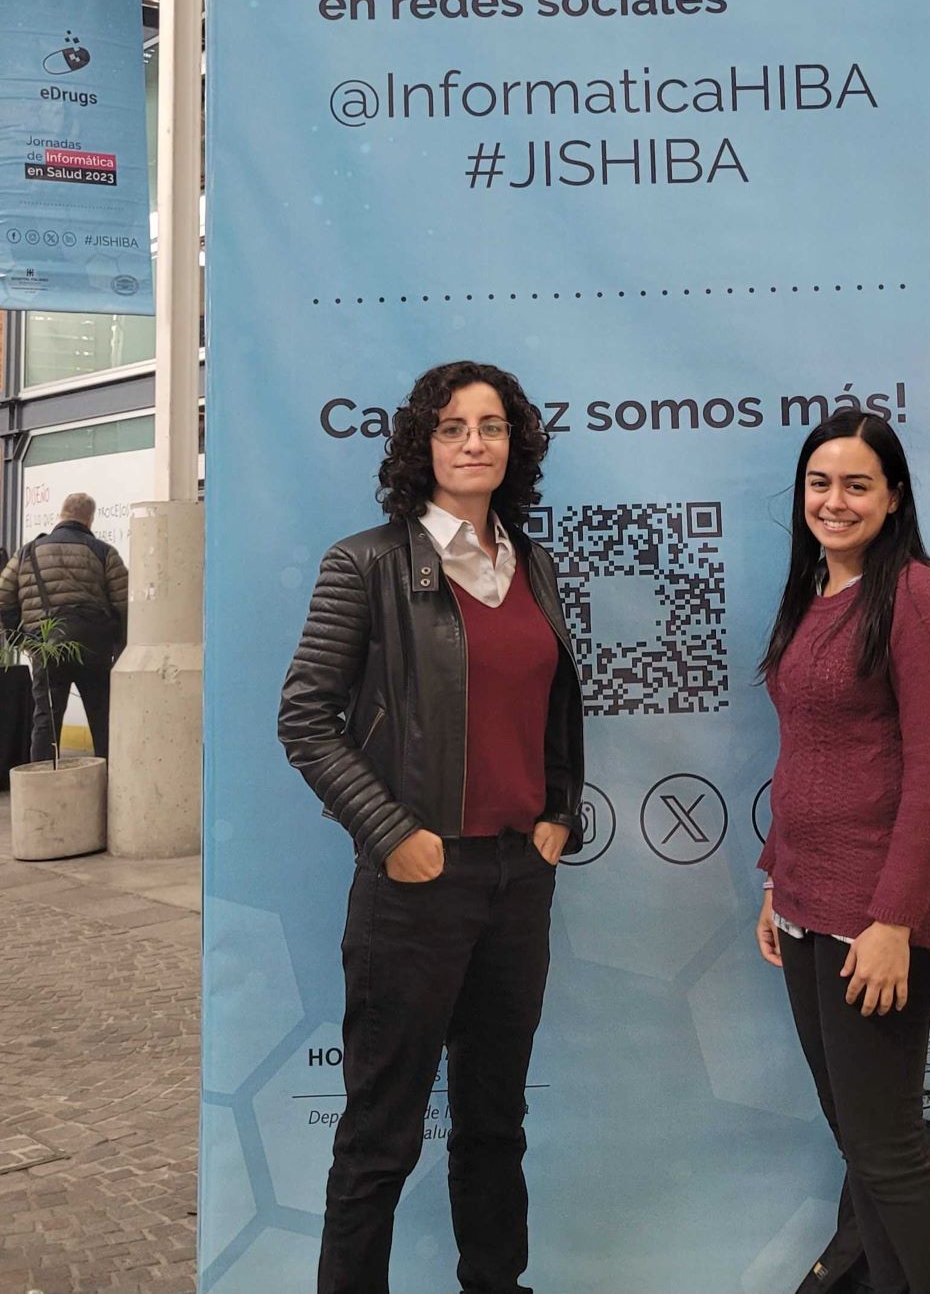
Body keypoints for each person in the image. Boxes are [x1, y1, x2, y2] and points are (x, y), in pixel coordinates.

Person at [278, 359, 584, 1294]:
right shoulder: (364, 563)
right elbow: (305, 718)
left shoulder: (533, 565)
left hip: (516, 882)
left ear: (515, 445)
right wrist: (390, 833)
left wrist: (558, 812)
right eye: (452, 428)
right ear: (423, 445)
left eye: (490, 427)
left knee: (495, 1125)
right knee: (380, 1137)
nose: (472, 443)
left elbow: (550, 709)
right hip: (415, 888)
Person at [755, 410, 930, 1294]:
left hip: (878, 915)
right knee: (858, 1140)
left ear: (893, 497)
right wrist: (774, 879)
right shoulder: (813, 594)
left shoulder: (915, 596)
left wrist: (892, 922)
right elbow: (806, 750)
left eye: (856, 484)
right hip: (806, 902)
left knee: (886, 1150)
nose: (834, 501)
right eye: (819, 483)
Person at [0, 492, 128, 763]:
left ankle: (42, 780)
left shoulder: (27, 553)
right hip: (94, 647)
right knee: (102, 717)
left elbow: (3, 597)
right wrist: (117, 645)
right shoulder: (104, 552)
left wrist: (21, 638)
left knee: (45, 719)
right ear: (90, 519)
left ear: (61, 514)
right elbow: (123, 604)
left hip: (46, 645)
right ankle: (110, 778)